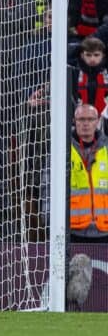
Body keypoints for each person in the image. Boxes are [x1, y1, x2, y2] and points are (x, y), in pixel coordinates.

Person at [70, 103, 108, 242]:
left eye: (90, 119)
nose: (86, 123)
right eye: (81, 119)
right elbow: (48, 186)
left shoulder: (107, 149)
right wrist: (49, 217)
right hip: (73, 230)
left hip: (104, 230)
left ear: (98, 121)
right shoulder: (62, 149)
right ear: (74, 121)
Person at [70, 36, 108, 114]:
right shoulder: (74, 73)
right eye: (88, 55)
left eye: (96, 55)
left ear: (103, 55)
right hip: (79, 118)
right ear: (82, 55)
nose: (92, 59)